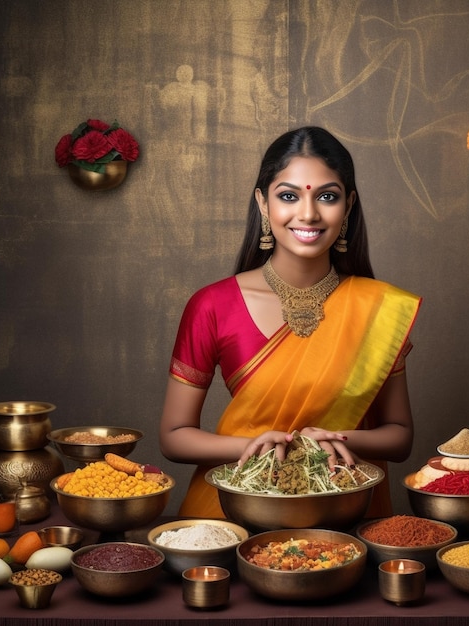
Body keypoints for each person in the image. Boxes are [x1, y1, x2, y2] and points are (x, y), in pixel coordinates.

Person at [159, 126, 421, 519]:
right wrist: (256, 444)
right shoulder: (212, 305)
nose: (309, 213)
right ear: (263, 204)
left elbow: (400, 438)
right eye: (288, 196)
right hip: (237, 511)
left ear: (348, 206)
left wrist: (331, 440)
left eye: (327, 197)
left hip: (343, 512)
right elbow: (174, 437)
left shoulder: (377, 308)